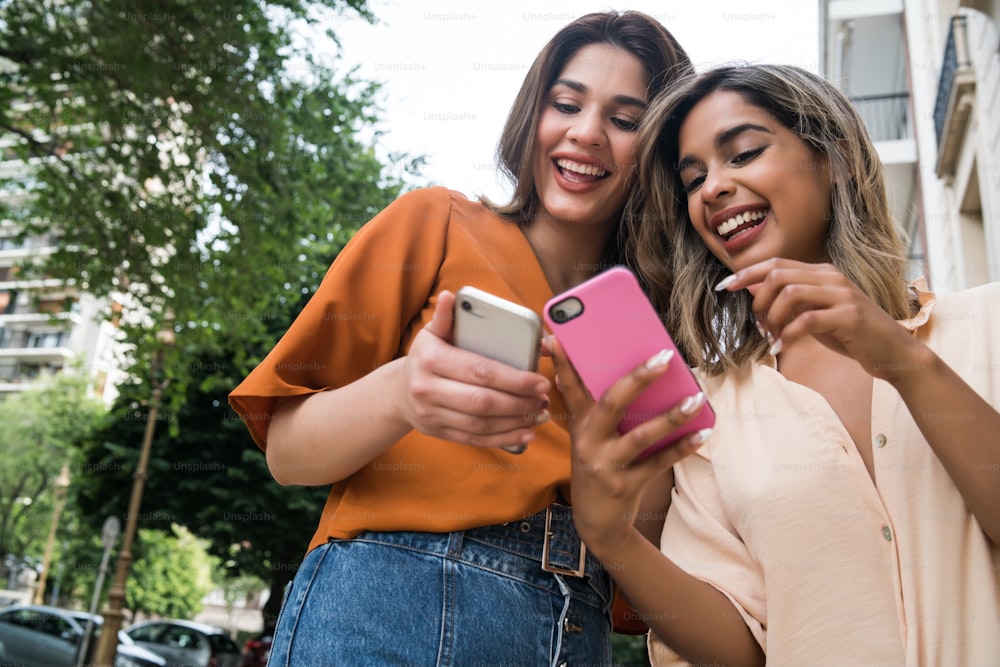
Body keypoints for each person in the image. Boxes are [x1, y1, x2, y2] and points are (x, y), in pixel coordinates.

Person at [228, 11, 693, 665]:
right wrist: (399, 395)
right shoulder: (434, 222)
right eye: (566, 104)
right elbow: (287, 453)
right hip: (395, 600)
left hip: (576, 626)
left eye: (625, 119)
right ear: (535, 113)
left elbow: (648, 560)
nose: (586, 134)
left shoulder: (653, 333)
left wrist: (618, 476)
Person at [553, 63, 1000, 666]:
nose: (711, 189)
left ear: (836, 160)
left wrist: (905, 361)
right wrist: (611, 538)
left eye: (742, 153)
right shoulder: (710, 418)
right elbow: (744, 648)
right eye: (694, 179)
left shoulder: (987, 326)